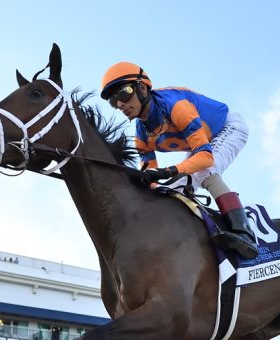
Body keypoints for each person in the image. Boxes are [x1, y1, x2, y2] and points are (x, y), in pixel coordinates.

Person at [100, 62, 258, 259]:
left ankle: (244, 233)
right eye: (113, 101)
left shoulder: (176, 106)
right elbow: (151, 182)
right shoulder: (141, 136)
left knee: (205, 171)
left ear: (142, 87)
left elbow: (206, 158)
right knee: (173, 190)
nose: (120, 104)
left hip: (228, 127)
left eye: (123, 93)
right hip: (202, 143)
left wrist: (169, 171)